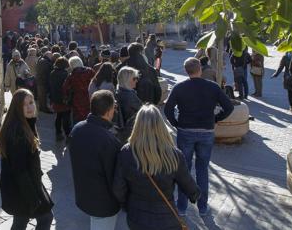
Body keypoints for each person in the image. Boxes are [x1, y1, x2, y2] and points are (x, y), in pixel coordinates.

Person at [164, 57, 234, 217]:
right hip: (206, 132)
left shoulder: (180, 87)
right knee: (202, 169)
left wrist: (176, 123)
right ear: (200, 70)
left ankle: (181, 207)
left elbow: (168, 109)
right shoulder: (213, 87)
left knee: (184, 169)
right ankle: (203, 207)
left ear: (186, 71)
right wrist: (216, 119)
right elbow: (229, 107)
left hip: (185, 131)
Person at [113, 105, 201, 230]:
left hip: (137, 219)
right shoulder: (174, 155)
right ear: (161, 126)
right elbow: (189, 185)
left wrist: (127, 206)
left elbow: (118, 189)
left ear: (137, 125)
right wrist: (195, 194)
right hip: (167, 220)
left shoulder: (126, 153)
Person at [0, 89, 54, 230]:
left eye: (31, 102)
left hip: (25, 184)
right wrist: (33, 199)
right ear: (17, 108)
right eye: (24, 105)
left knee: (21, 221)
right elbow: (20, 170)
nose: (30, 107)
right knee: (45, 218)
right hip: (22, 187)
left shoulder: (25, 123)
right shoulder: (17, 132)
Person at [69, 90, 122, 230]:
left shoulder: (77, 129)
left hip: (84, 195)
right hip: (104, 203)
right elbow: (115, 178)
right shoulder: (109, 140)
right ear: (109, 111)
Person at [63, 56, 95, 124]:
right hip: (90, 97)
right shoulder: (90, 71)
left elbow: (65, 88)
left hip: (77, 100)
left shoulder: (71, 76)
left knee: (78, 120)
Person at [115, 66, 142, 140]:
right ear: (126, 80)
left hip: (124, 131)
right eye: (134, 79)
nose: (136, 81)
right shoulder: (129, 96)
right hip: (132, 132)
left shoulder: (118, 91)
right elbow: (143, 111)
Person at [49, 57, 71, 141]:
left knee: (58, 116)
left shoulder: (52, 73)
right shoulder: (65, 74)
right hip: (64, 99)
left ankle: (58, 133)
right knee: (66, 118)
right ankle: (67, 134)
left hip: (55, 98)